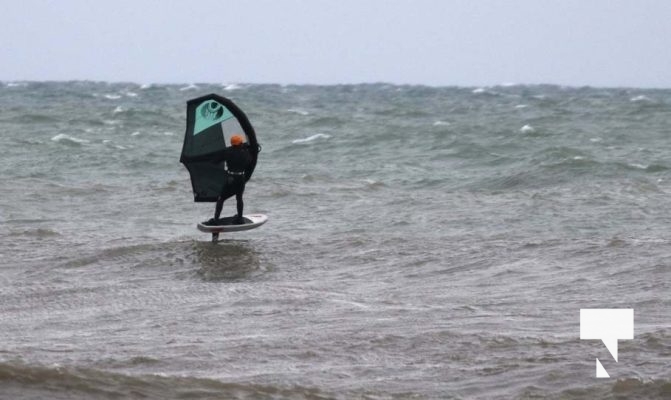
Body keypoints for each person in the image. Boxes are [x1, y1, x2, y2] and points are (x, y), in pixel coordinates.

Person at [209, 134, 252, 224]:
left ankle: (216, 219)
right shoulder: (245, 152)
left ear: (232, 144)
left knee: (221, 198)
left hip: (231, 178)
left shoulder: (227, 151)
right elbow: (249, 162)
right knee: (239, 198)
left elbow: (216, 160)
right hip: (241, 178)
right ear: (240, 143)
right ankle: (240, 218)